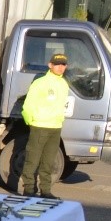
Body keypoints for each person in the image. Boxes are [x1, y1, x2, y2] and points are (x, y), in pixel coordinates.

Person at [17, 52, 71, 198]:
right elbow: (28, 105)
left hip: (55, 127)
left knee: (48, 162)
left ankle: (45, 191)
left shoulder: (63, 84)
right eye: (57, 64)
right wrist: (32, 121)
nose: (60, 67)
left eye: (63, 64)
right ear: (50, 65)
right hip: (40, 126)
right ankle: (29, 190)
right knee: (32, 160)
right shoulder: (40, 83)